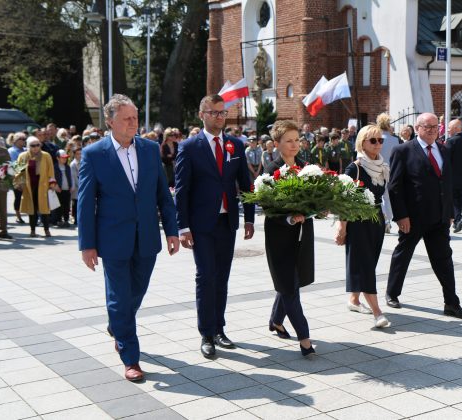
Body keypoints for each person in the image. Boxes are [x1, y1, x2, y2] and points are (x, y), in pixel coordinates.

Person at [78, 94, 179, 382]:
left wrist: (171, 230)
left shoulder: (149, 149)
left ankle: (118, 324)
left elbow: (163, 194)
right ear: (110, 122)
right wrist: (87, 244)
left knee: (136, 292)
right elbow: (85, 203)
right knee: (120, 298)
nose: (134, 123)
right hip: (112, 240)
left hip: (147, 237)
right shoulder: (94, 154)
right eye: (127, 118)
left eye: (135, 117)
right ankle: (130, 356)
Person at [174, 94, 254, 359]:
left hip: (226, 221)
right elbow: (182, 191)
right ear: (202, 114)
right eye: (215, 113)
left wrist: (250, 218)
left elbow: (246, 184)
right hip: (201, 224)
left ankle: (219, 328)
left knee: (222, 278)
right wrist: (182, 226)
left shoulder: (235, 145)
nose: (220, 117)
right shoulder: (189, 147)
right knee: (205, 276)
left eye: (223, 113)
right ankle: (206, 334)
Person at [385, 113, 462, 319]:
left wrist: (450, 212)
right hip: (413, 218)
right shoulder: (403, 151)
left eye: (435, 126)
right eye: (428, 126)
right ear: (418, 128)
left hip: (439, 218)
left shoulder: (443, 149)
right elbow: (395, 187)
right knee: (403, 255)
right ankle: (392, 292)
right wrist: (401, 216)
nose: (433, 130)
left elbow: (447, 183)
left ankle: (451, 302)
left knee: (444, 260)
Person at [264, 120, 316, 356]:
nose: (295, 145)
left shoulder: (306, 167)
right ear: (277, 144)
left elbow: (315, 198)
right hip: (279, 238)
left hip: (302, 236)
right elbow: (268, 207)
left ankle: (276, 320)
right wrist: (289, 218)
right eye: (289, 141)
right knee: (289, 287)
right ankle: (305, 339)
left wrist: (319, 207)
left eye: (297, 140)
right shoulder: (270, 171)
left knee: (290, 283)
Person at [335, 124, 390, 328]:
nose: (378, 144)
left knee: (369, 262)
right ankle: (378, 313)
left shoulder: (383, 166)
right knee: (365, 266)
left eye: (380, 140)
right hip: (357, 220)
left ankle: (354, 300)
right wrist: (342, 227)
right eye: (373, 140)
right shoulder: (355, 167)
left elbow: (384, 196)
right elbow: (343, 199)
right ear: (362, 143)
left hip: (376, 219)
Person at [14, 137, 56, 238]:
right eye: (33, 145)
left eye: (38, 145)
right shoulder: (23, 156)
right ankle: (32, 230)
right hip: (29, 186)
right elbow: (18, 171)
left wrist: (52, 184)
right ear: (28, 146)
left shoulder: (46, 156)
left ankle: (46, 230)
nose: (36, 147)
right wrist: (18, 183)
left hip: (43, 185)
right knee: (31, 209)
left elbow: (51, 171)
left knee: (44, 209)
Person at [8, 132, 27, 223]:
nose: (24, 141)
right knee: (18, 197)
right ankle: (18, 216)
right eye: (22, 139)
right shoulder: (11, 151)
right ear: (16, 140)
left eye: (25, 139)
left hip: (28, 177)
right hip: (17, 177)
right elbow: (13, 165)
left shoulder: (26, 150)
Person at [53, 150, 72, 227]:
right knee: (59, 206)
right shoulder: (55, 167)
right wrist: (55, 186)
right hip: (59, 189)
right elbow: (52, 177)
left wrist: (71, 186)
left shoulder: (67, 167)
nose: (64, 159)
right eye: (62, 158)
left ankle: (66, 220)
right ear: (57, 158)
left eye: (65, 158)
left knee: (66, 205)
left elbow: (70, 177)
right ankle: (59, 220)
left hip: (67, 189)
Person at [69, 147, 81, 225]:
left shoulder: (83, 162)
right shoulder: (73, 164)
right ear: (74, 155)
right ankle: (76, 219)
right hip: (77, 187)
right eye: (78, 154)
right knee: (76, 204)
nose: (80, 155)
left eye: (81, 154)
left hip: (81, 185)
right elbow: (74, 177)